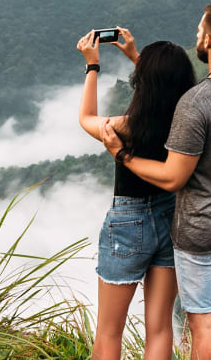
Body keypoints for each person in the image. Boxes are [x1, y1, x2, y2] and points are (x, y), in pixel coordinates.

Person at [105, 3, 211, 360]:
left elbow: (172, 177)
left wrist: (123, 155)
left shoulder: (196, 103)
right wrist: (138, 57)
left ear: (209, 41)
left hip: (204, 226)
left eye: (199, 31)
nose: (196, 36)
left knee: (204, 322)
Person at [77, 28, 197, 360]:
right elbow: (167, 82)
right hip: (171, 216)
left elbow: (86, 118)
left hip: (128, 224)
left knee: (108, 332)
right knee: (160, 328)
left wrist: (92, 67)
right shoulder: (189, 121)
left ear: (142, 81)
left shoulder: (126, 127)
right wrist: (135, 55)